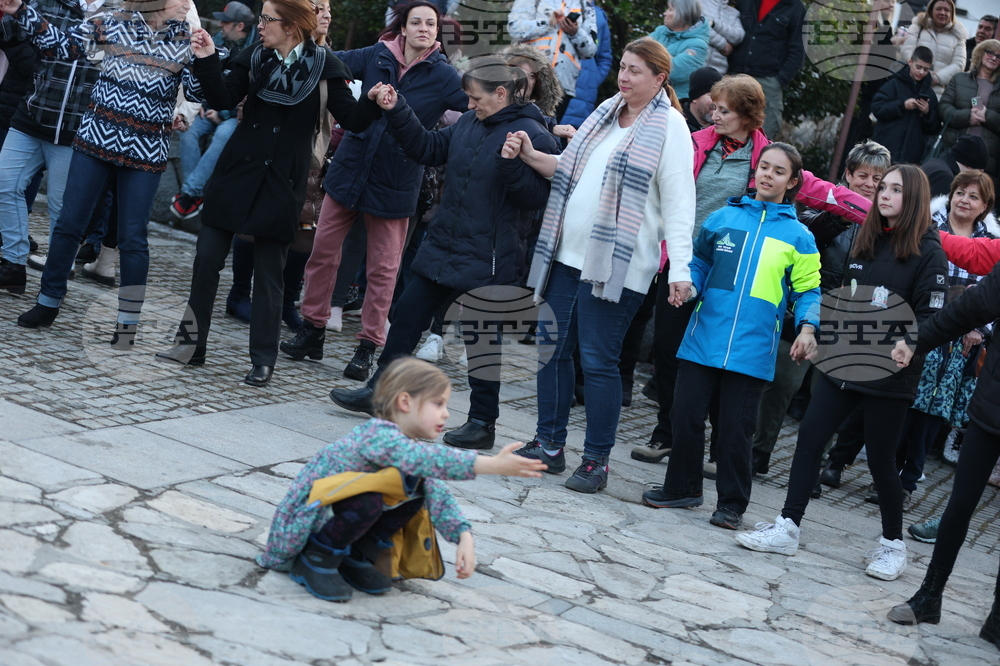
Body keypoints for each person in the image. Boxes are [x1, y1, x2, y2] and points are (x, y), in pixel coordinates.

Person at [628, 74, 870, 468]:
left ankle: (719, 450)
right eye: (715, 107)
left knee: (724, 364)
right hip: (683, 266)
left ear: (747, 115)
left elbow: (829, 194)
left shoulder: (767, 160)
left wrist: (886, 214)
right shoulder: (696, 144)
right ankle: (667, 434)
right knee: (669, 353)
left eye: (724, 109)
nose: (714, 113)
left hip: (733, 276)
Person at [329, 57, 559, 451]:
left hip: (490, 258)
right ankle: (380, 393)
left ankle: (483, 424)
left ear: (500, 94)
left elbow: (536, 198)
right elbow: (427, 147)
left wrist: (510, 165)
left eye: (475, 98)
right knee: (405, 319)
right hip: (445, 244)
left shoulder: (534, 133)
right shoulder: (469, 124)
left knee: (481, 342)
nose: (469, 106)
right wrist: (397, 109)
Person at [500, 37, 696, 494]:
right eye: (622, 67)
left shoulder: (670, 128)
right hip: (566, 255)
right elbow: (568, 169)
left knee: (599, 361)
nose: (623, 77)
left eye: (634, 71)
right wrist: (530, 154)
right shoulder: (605, 113)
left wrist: (681, 270)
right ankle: (548, 445)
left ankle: (596, 461)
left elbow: (681, 206)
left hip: (619, 268)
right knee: (552, 349)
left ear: (660, 79)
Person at [736, 165, 949, 582]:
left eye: (894, 190)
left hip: (889, 378)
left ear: (917, 200)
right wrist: (817, 336)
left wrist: (911, 342)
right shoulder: (865, 241)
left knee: (882, 463)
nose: (883, 195)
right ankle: (788, 526)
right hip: (843, 366)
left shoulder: (930, 252)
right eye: (882, 188)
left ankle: (892, 545)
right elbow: (846, 302)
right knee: (809, 440)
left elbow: (932, 316)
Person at [158, 0, 383, 386]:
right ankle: (190, 345)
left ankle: (263, 360)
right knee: (206, 260)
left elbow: (354, 119)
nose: (259, 24)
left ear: (292, 25)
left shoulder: (327, 66)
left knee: (269, 275)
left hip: (282, 183)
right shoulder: (254, 56)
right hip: (236, 174)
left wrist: (377, 101)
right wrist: (209, 58)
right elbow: (223, 99)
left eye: (267, 18)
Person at [279, 0, 468, 382]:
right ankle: (312, 330)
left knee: (383, 270)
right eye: (416, 22)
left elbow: (479, 107)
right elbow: (331, 62)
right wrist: (311, 34)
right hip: (349, 171)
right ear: (404, 27)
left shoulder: (444, 75)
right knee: (323, 254)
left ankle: (368, 346)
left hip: (397, 182)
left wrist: (540, 121)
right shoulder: (378, 54)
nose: (424, 29)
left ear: (438, 31)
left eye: (431, 24)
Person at [257, 357, 547, 601]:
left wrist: (463, 536)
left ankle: (355, 555)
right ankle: (317, 557)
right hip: (306, 524)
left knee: (416, 493)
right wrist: (492, 465)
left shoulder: (408, 447)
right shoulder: (379, 435)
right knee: (369, 500)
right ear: (405, 401)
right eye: (438, 403)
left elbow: (436, 492)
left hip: (337, 518)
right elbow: (430, 461)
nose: (446, 413)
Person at [641, 142, 821, 530]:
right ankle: (681, 488)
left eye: (778, 171)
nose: (767, 175)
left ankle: (732, 504)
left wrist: (808, 327)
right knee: (685, 414)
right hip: (705, 336)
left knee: (737, 429)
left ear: (792, 182)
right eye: (764, 167)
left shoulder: (799, 237)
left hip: (752, 349)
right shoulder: (722, 217)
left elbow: (809, 290)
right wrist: (687, 283)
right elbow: (701, 261)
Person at [5, 0, 210, 337]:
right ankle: (48, 301)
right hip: (95, 142)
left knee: (132, 238)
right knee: (70, 223)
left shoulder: (186, 36)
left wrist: (207, 60)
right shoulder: (112, 22)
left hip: (145, 152)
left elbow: (200, 92)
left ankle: (127, 323)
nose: (188, 3)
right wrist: (20, 10)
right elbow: (63, 45)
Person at [751, 140, 891, 477]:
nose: (869, 184)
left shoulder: (888, 224)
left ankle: (810, 467)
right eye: (863, 175)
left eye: (878, 178)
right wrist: (840, 217)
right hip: (804, 310)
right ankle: (757, 452)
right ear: (848, 174)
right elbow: (806, 234)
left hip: (849, 320)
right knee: (782, 384)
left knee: (827, 400)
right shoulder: (825, 204)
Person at [886, 259, 1000, 651]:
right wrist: (916, 341)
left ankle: (998, 619)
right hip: (993, 408)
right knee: (961, 502)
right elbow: (969, 308)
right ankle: (929, 596)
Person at [223, 0, 333, 331]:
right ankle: (240, 294)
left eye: (328, 9)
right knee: (252, 223)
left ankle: (286, 303)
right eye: (317, 7)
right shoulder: (265, 52)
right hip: (266, 151)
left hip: (312, 157)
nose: (324, 13)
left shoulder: (332, 59)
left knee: (303, 234)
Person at [894, 171, 996, 509]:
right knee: (904, 402)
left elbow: (991, 297)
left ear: (984, 207)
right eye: (960, 192)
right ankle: (883, 472)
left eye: (974, 196)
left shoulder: (991, 239)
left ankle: (908, 481)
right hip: (921, 327)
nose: (965, 200)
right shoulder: (928, 223)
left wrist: (980, 329)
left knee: (932, 412)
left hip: (961, 342)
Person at [0, 0, 104, 296]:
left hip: (78, 127)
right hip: (33, 112)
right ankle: (12, 263)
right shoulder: (45, 1)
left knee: (64, 207)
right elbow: (9, 32)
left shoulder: (120, 12)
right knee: (4, 183)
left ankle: (54, 282)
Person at [171, 1, 256, 221]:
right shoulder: (216, 40)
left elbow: (248, 92)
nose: (219, 24)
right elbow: (204, 75)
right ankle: (195, 192)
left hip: (233, 115)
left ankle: (188, 192)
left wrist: (223, 114)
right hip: (207, 109)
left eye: (225, 22)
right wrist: (199, 103)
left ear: (239, 26)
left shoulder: (256, 47)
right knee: (187, 130)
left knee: (224, 135)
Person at [726, 0, 806, 139]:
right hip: (735, 75)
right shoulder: (746, 2)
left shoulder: (796, 8)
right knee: (724, 126)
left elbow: (798, 50)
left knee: (764, 135)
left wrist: (780, 80)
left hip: (768, 81)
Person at [507, 0, 598, 120]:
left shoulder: (584, 4)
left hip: (562, 84)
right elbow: (514, 28)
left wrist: (575, 32)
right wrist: (547, 22)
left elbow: (590, 51)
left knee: (547, 132)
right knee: (516, 127)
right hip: (528, 77)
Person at [938, 39, 1000, 201]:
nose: (994, 57)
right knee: (945, 198)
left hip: (987, 162)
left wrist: (988, 116)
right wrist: (967, 116)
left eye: (999, 56)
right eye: (990, 52)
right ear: (980, 53)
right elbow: (944, 108)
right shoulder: (959, 79)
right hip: (955, 152)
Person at [872, 45, 940, 165]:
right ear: (910, 62)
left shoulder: (930, 94)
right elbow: (877, 109)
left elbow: (934, 128)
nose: (921, 72)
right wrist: (902, 105)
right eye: (918, 67)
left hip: (911, 157)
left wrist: (927, 113)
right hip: (884, 150)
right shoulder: (894, 83)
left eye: (926, 69)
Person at [899, 0, 969, 98]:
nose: (942, 13)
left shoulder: (958, 36)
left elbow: (959, 64)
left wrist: (936, 78)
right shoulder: (918, 27)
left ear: (952, 13)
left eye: (947, 10)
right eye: (938, 9)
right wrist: (921, 72)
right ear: (931, 10)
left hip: (937, 91)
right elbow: (906, 50)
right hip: (910, 84)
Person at [559, 0, 611, 129]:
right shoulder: (550, 6)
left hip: (583, 95)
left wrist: (592, 81)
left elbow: (604, 57)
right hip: (554, 85)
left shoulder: (598, 15)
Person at [648, 0, 709, 100]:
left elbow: (673, 71)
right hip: (650, 97)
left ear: (683, 14)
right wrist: (668, 57)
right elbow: (636, 52)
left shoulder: (698, 44)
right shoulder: (661, 31)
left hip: (676, 102)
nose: (665, 13)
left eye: (670, 9)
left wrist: (651, 55)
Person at [922, 133, 990, 197]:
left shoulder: (936, 164)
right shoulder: (945, 178)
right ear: (970, 166)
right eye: (980, 171)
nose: (980, 175)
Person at [701, 0, 743, 75]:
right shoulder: (698, 3)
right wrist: (723, 45)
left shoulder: (733, 12)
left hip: (718, 73)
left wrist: (714, 24)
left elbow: (738, 36)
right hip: (693, 65)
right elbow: (698, 26)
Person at [682, 66, 721, 132]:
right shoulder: (677, 123)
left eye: (721, 97)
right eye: (712, 96)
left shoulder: (724, 128)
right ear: (694, 97)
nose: (717, 102)